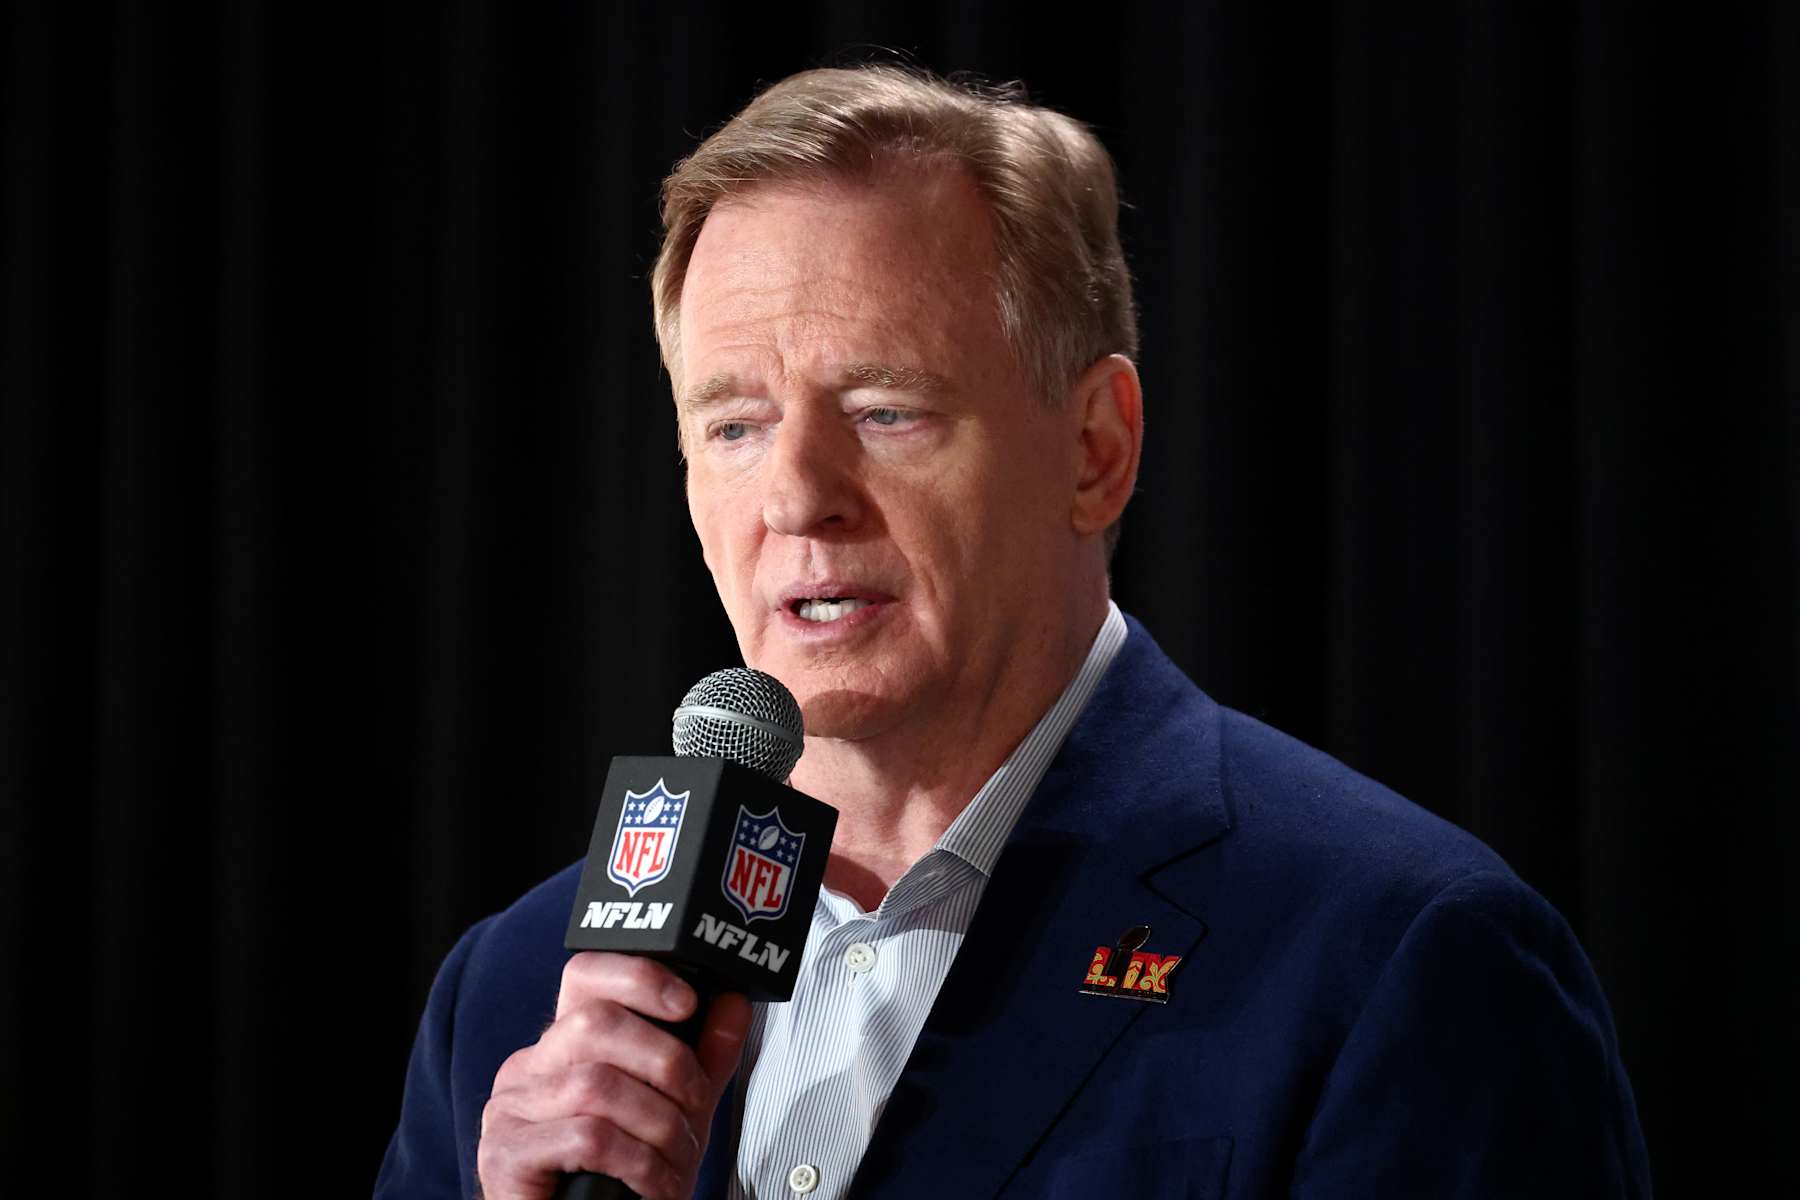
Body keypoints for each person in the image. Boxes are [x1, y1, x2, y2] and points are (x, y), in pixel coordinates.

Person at [376, 66, 1650, 1200]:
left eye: (885, 410)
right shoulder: (517, 995)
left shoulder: (1401, 964)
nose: (797, 496)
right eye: (734, 424)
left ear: (1096, 450)